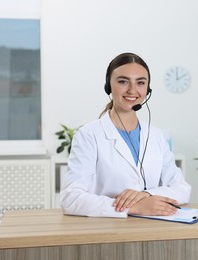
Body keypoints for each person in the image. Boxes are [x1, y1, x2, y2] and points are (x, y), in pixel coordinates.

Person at [60, 52, 191, 218]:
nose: (132, 90)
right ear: (108, 86)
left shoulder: (156, 136)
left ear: (147, 89)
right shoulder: (88, 135)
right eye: (123, 81)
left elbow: (182, 189)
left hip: (153, 230)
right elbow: (70, 199)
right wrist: (134, 207)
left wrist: (146, 195)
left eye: (140, 82)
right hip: (106, 231)